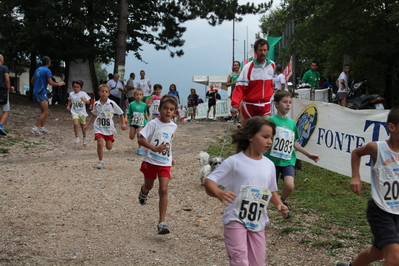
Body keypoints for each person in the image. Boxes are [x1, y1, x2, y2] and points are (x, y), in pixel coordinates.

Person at [204, 116, 289, 266]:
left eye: (271, 137)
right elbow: (209, 181)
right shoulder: (234, 161)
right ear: (250, 136)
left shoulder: (269, 165)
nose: (269, 141)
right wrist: (219, 193)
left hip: (257, 220)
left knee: (258, 261)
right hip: (235, 218)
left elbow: (271, 190)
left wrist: (279, 204)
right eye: (265, 137)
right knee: (239, 259)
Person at [334, 107, 399, 266]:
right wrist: (356, 176)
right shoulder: (377, 148)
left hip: (398, 211)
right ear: (392, 127)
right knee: (394, 257)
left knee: (377, 252)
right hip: (380, 210)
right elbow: (356, 153)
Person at [264, 90, 320, 217]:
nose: (288, 105)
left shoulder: (292, 123)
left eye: (290, 102)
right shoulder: (270, 120)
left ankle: (282, 201)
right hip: (271, 161)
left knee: (290, 185)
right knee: (269, 189)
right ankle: (263, 210)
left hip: (288, 160)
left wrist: (308, 154)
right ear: (276, 104)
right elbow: (264, 137)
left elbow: (294, 142)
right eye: (285, 102)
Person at [137, 95, 178, 234]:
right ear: (159, 109)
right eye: (165, 108)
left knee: (164, 190)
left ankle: (162, 222)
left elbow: (168, 143)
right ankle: (144, 192)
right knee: (149, 185)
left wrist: (170, 157)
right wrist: (154, 149)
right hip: (151, 160)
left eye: (171, 109)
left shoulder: (174, 126)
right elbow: (141, 140)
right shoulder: (153, 124)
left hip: (164, 163)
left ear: (175, 112)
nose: (168, 111)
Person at [230, 38, 275, 126]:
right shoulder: (248, 67)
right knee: (248, 133)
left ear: (268, 51)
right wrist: (235, 105)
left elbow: (272, 85)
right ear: (255, 51)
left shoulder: (272, 65)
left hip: (265, 105)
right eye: (260, 50)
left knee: (266, 129)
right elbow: (239, 88)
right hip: (250, 105)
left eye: (265, 50)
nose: (262, 53)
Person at [83, 84, 127, 169]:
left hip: (108, 128)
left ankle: (109, 141)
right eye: (102, 91)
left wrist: (123, 123)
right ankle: (101, 161)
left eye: (106, 92)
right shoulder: (96, 104)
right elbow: (94, 114)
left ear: (109, 94)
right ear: (99, 93)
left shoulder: (111, 103)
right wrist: (87, 125)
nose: (104, 93)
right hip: (98, 127)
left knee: (109, 147)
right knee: (100, 143)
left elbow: (121, 113)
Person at [31, 56, 66, 136]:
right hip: (42, 92)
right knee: (45, 111)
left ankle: (42, 127)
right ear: (49, 62)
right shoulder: (47, 71)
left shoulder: (37, 70)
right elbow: (51, 83)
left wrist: (36, 86)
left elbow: (32, 80)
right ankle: (35, 127)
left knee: (44, 111)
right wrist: (59, 84)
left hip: (36, 91)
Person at [66, 80, 91, 145]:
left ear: (81, 87)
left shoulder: (83, 94)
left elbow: (89, 102)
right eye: (74, 87)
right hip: (74, 111)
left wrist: (84, 100)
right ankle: (77, 136)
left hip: (82, 112)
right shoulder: (71, 94)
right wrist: (68, 105)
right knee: (75, 124)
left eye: (78, 87)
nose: (76, 88)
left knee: (83, 126)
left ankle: (84, 137)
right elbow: (70, 100)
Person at [126, 88, 147, 155]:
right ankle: (136, 132)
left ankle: (140, 148)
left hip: (141, 123)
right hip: (133, 122)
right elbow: (127, 112)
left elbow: (145, 113)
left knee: (139, 135)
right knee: (131, 137)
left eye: (140, 95)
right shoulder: (132, 104)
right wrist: (126, 118)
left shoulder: (144, 105)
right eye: (137, 95)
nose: (138, 96)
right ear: (134, 96)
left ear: (142, 96)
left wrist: (147, 121)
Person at [0, 54, 11, 136]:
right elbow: (7, 80)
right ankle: (0, 126)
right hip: (2, 90)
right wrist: (8, 90)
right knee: (6, 110)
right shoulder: (4, 68)